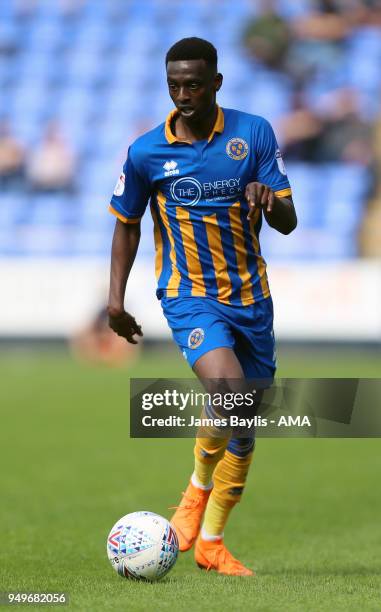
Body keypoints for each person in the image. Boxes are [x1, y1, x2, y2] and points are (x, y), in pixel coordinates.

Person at [107, 37, 297, 576]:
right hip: (190, 295)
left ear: (216, 82)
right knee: (230, 391)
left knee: (244, 421)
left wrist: (270, 197)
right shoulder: (146, 151)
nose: (183, 94)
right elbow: (126, 223)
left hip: (251, 297)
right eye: (174, 85)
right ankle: (194, 493)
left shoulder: (252, 132)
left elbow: (288, 220)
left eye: (193, 84)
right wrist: (116, 301)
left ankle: (211, 541)